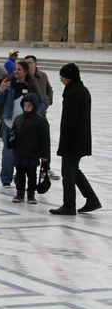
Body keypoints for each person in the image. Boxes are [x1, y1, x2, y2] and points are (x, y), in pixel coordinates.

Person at [50, 64, 100, 215]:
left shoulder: (72, 93)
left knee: (68, 172)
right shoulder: (83, 90)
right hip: (82, 138)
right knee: (74, 170)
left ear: (69, 77)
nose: (60, 80)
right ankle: (92, 200)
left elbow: (68, 121)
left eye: (62, 76)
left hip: (72, 140)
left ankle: (69, 205)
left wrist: (64, 143)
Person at [0, 60, 45, 187]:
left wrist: (35, 115)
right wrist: (1, 90)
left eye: (19, 69)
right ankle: (6, 179)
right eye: (15, 69)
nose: (16, 71)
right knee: (8, 151)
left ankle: (20, 178)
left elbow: (41, 102)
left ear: (25, 72)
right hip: (9, 122)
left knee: (23, 151)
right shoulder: (8, 84)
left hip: (26, 124)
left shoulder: (31, 86)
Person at [9, 93, 49, 204]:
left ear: (34, 106)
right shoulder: (18, 119)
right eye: (25, 105)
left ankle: (31, 194)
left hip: (33, 153)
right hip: (19, 153)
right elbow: (12, 134)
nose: (27, 108)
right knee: (20, 174)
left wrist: (45, 155)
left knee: (32, 175)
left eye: (29, 106)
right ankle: (20, 193)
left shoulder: (40, 121)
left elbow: (45, 139)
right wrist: (11, 144)